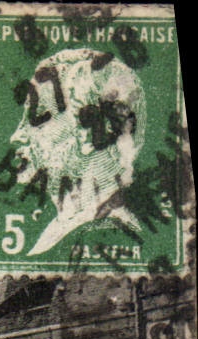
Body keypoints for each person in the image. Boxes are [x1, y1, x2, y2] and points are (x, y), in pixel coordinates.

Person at [8, 48, 146, 256]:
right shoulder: (62, 230)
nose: (17, 136)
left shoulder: (105, 233)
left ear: (86, 136)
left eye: (36, 118)